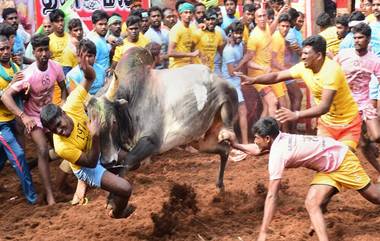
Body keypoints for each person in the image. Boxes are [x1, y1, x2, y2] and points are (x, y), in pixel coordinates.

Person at [229, 117, 380, 241]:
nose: (254, 141)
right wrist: (235, 145)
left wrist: (263, 232)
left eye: (256, 138)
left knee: (375, 196)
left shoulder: (278, 154)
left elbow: (272, 196)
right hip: (329, 164)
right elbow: (257, 150)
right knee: (312, 202)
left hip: (341, 160)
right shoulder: (280, 137)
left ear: (267, 138)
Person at [40, 50, 134, 219]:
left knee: (134, 161)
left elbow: (89, 79)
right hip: (86, 167)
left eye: (60, 125)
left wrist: (86, 69)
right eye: (55, 130)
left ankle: (112, 190)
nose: (60, 131)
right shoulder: (61, 146)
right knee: (126, 188)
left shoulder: (73, 103)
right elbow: (90, 163)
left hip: (96, 147)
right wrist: (95, 135)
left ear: (63, 113)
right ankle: (118, 213)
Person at [238, 35, 361, 152]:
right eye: (302, 53)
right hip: (327, 124)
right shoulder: (303, 67)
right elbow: (277, 76)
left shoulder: (331, 71)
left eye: (306, 54)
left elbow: (324, 107)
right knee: (324, 159)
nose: (302, 57)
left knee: (343, 158)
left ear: (318, 56)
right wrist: (254, 79)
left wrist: (296, 114)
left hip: (347, 122)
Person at [2, 33, 68, 205]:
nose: (44, 54)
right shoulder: (28, 74)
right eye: (40, 51)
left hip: (50, 114)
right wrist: (23, 117)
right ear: (34, 52)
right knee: (43, 150)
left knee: (63, 149)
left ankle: (64, 184)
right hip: (33, 117)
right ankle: (49, 195)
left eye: (46, 50)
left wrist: (62, 105)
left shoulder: (56, 67)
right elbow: (6, 96)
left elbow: (63, 87)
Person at [335, 23, 380, 180]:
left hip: (365, 103)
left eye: (360, 37)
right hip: (347, 105)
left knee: (376, 136)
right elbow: (331, 71)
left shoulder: (374, 60)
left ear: (368, 39)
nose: (357, 40)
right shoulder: (343, 54)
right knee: (362, 144)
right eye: (355, 37)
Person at [0, 35, 37, 204]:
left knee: (2, 158)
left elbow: (21, 93)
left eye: (7, 48)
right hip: (1, 124)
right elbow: (4, 96)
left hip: (12, 120)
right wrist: (11, 85)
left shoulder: (15, 67)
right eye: (1, 49)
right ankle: (32, 197)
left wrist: (26, 89)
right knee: (19, 155)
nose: (5, 52)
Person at [246, 8, 284, 118]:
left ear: (267, 17)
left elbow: (271, 28)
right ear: (255, 19)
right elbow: (248, 62)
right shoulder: (253, 37)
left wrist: (280, 12)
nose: (262, 18)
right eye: (259, 16)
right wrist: (262, 67)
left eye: (264, 16)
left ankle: (260, 134)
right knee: (273, 102)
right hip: (256, 77)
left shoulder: (267, 27)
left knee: (267, 107)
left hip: (266, 75)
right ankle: (273, 133)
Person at [222, 22, 248, 145]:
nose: (239, 35)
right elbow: (232, 72)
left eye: (240, 33)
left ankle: (234, 140)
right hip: (230, 84)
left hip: (236, 82)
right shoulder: (228, 50)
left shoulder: (240, 45)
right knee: (242, 112)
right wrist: (244, 61)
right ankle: (243, 142)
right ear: (231, 34)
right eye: (236, 33)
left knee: (237, 114)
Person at [168, 2, 199, 68]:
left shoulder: (192, 28)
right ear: (180, 14)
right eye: (186, 12)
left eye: (190, 12)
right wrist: (191, 54)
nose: (188, 15)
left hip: (188, 65)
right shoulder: (176, 29)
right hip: (177, 67)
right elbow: (170, 52)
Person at [48, 9, 69, 105]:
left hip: (70, 78)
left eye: (61, 20)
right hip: (56, 81)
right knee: (58, 107)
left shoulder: (70, 37)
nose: (60, 23)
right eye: (57, 21)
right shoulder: (48, 40)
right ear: (52, 24)